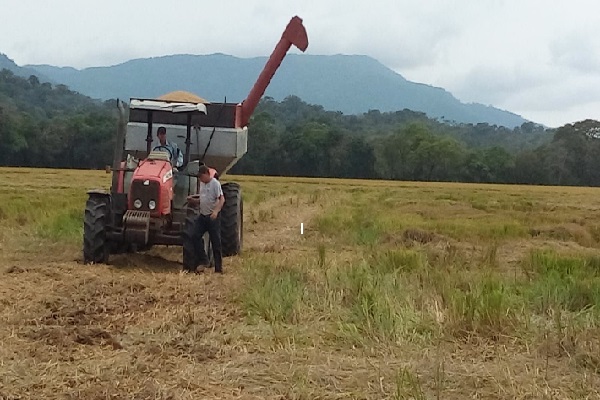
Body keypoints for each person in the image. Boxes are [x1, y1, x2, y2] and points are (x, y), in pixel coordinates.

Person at [185, 165, 225, 273]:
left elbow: (221, 199)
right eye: (200, 178)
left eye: (202, 177)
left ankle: (218, 269)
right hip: (203, 216)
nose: (201, 179)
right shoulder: (202, 184)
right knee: (194, 236)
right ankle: (204, 259)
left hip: (212, 217)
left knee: (216, 242)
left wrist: (216, 211)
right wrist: (193, 200)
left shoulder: (215, 184)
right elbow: (203, 199)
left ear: (207, 174)